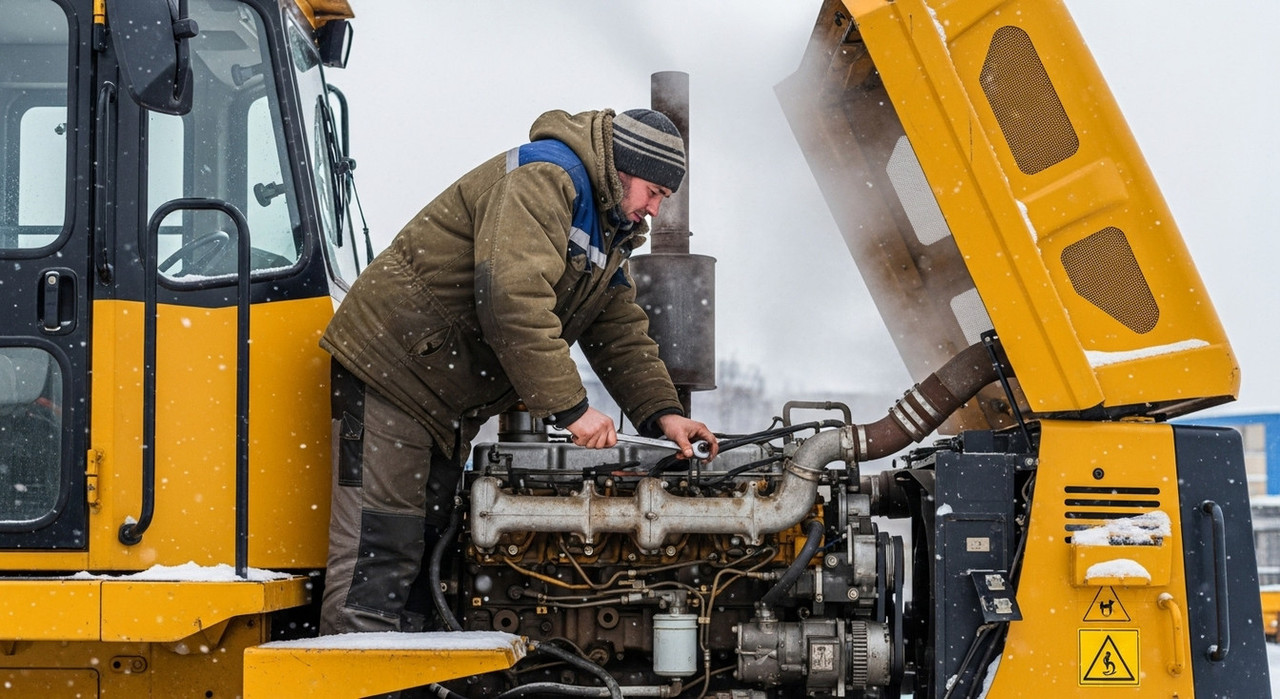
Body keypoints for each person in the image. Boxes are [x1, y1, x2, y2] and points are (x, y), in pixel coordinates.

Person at [318, 108, 719, 634]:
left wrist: (665, 415)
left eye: (663, 200)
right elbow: (511, 297)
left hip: (442, 393)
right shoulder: (545, 180)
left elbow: (618, 330)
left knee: (427, 551)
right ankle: (345, 681)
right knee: (384, 545)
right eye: (652, 192)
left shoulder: (607, 231)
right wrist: (572, 409)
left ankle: (399, 678)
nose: (653, 210)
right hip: (395, 369)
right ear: (623, 168)